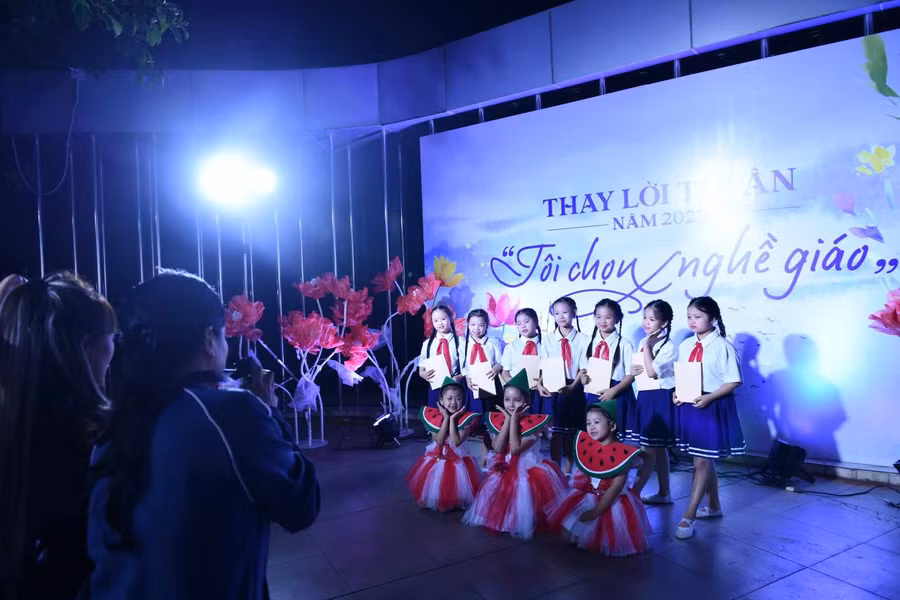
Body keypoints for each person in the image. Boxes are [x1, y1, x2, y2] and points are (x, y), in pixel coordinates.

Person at [87, 270, 320, 599]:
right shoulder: (232, 414)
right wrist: (268, 410)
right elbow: (302, 504)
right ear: (209, 339)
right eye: (224, 336)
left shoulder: (112, 426)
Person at [0, 273, 116, 599]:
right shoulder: (101, 439)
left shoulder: (16, 426)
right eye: (112, 338)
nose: (114, 350)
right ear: (87, 347)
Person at [673, 296, 744, 540]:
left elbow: (734, 380)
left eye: (698, 316)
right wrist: (677, 393)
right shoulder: (685, 345)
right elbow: (682, 375)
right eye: (689, 316)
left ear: (712, 318)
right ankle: (714, 506)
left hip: (712, 406)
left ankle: (689, 514)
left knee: (702, 462)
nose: (692, 321)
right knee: (702, 459)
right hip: (691, 406)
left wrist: (710, 397)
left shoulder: (723, 346)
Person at [463, 370, 565, 539]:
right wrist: (508, 422)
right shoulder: (500, 420)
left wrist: (514, 420)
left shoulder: (535, 425)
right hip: (505, 467)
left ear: (527, 402)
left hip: (528, 471)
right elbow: (498, 447)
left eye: (517, 400)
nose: (511, 405)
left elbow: (516, 448)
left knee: (523, 499)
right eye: (507, 399)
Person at [546, 401, 650, 556]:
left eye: (596, 422)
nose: (591, 427)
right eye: (588, 423)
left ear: (612, 426)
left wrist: (596, 512)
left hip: (612, 503)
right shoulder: (589, 446)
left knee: (603, 543)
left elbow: (616, 488)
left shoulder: (623, 455)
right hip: (590, 496)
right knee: (566, 536)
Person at [406, 377, 481, 511]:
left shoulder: (467, 420)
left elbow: (456, 441)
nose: (453, 402)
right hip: (438, 456)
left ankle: (454, 499)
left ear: (463, 400)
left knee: (455, 483)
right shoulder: (435, 418)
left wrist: (453, 419)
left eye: (458, 399)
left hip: (458, 458)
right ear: (441, 401)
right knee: (436, 483)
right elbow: (439, 440)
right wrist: (446, 418)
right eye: (449, 398)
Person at [630, 300, 677, 505]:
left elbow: (652, 372)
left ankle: (633, 494)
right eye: (644, 317)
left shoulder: (669, 346)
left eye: (652, 319)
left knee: (649, 449)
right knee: (658, 448)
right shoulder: (643, 341)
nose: (646, 322)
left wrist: (648, 347)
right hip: (645, 395)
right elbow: (641, 370)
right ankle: (664, 492)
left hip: (660, 397)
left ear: (664, 323)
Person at [538, 296, 589, 473]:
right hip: (553, 388)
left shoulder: (584, 339)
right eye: (557, 313)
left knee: (571, 433)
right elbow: (543, 365)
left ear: (574, 313)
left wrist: (572, 387)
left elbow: (583, 367)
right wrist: (540, 384)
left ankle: (568, 472)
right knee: (555, 433)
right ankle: (555, 471)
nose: (561, 316)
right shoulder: (547, 339)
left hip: (574, 388)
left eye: (565, 312)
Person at [579, 299, 636, 440]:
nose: (602, 321)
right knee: (596, 435)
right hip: (594, 392)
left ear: (617, 319)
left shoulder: (625, 344)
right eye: (598, 316)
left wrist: (613, 391)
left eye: (608, 317)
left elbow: (631, 375)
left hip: (617, 392)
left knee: (615, 436)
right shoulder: (587, 342)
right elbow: (583, 368)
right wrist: (583, 378)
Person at [417, 304, 463, 407]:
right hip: (435, 385)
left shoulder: (461, 341)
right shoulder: (427, 344)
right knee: (436, 413)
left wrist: (459, 377)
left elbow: (467, 367)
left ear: (450, 318)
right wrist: (425, 375)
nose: (440, 323)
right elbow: (421, 370)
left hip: (455, 386)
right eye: (436, 320)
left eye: (443, 319)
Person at [500, 307, 543, 405]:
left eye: (526, 321)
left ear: (536, 322)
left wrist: (541, 381)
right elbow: (505, 372)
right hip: (517, 394)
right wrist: (516, 384)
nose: (523, 326)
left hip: (540, 391)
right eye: (519, 323)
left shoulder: (546, 345)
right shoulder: (511, 347)